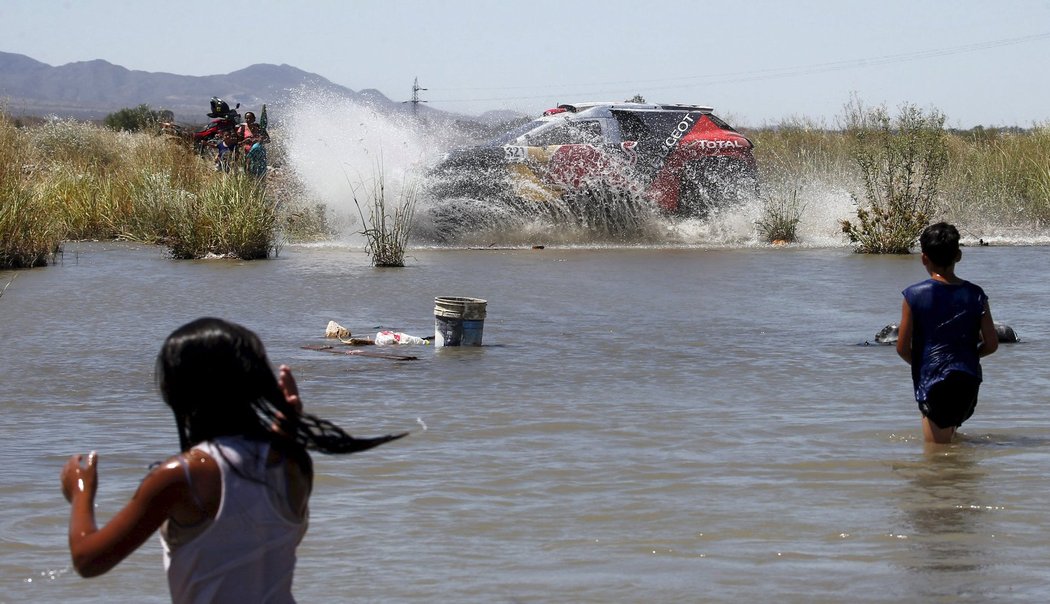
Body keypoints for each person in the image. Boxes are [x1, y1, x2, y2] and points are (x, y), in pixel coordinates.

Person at [61, 317, 407, 602]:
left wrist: (80, 490)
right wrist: (284, 433)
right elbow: (258, 537)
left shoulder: (181, 477)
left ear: (178, 392)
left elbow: (88, 560)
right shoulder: (293, 464)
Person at [896, 222, 998, 444]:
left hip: (935, 382)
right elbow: (991, 344)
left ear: (924, 258)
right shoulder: (976, 294)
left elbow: (902, 348)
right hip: (968, 381)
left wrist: (925, 364)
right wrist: (966, 357)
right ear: (958, 255)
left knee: (937, 458)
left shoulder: (914, 295)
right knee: (951, 440)